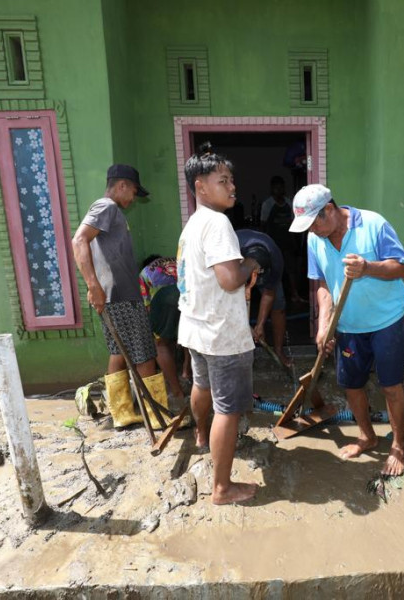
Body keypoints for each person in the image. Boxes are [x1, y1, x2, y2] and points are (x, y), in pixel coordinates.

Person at [289, 184, 404, 476]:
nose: (312, 231)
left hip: (387, 320)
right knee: (351, 384)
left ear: (329, 210)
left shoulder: (373, 224)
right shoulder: (314, 240)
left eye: (314, 223)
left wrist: (368, 267)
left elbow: (403, 267)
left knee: (390, 385)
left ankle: (398, 445)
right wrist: (324, 326)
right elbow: (321, 284)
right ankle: (367, 436)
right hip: (348, 325)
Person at [177, 142, 260, 505]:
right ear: (200, 186)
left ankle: (200, 434)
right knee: (229, 408)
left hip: (196, 328)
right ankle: (222, 488)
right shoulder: (218, 223)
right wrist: (251, 263)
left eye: (232, 180)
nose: (232, 187)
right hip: (222, 335)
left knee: (202, 386)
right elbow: (229, 278)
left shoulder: (193, 224)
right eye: (223, 180)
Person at [71, 165, 168, 429]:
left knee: (117, 352)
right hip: (120, 297)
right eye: (134, 192)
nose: (133, 199)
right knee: (144, 354)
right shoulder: (107, 207)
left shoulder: (109, 211)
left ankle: (123, 413)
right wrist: (93, 286)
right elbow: (79, 240)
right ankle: (156, 414)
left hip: (117, 297)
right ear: (122, 185)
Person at [235, 229, 292, 367]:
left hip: (263, 260)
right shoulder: (231, 249)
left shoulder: (276, 261)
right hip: (235, 271)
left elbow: (269, 292)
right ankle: (241, 355)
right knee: (234, 306)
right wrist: (245, 325)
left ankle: (278, 351)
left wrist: (260, 325)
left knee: (278, 305)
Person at [139, 256, 187, 408]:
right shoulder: (176, 259)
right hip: (187, 294)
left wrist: (153, 328)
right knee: (189, 336)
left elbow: (146, 303)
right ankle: (187, 373)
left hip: (164, 297)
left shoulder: (145, 272)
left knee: (160, 344)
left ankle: (177, 391)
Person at [261, 176, 304, 304]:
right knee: (275, 270)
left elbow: (293, 222)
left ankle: (294, 294)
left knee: (291, 270)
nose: (279, 190)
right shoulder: (267, 204)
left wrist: (295, 242)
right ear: (272, 189)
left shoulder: (289, 202)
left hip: (288, 243)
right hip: (273, 244)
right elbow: (263, 225)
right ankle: (276, 298)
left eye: (281, 187)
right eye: (276, 187)